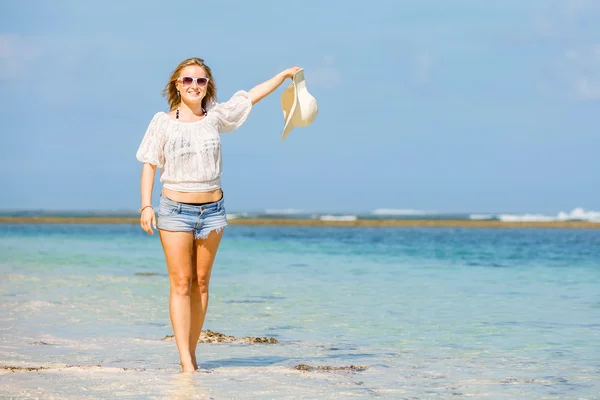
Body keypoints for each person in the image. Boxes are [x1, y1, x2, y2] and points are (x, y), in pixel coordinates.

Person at [136, 57, 301, 373]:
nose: (194, 86)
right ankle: (186, 362)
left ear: (207, 86)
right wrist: (146, 205)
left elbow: (249, 97)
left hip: (213, 211)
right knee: (181, 283)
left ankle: (191, 352)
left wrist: (281, 76)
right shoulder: (162, 122)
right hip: (175, 210)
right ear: (177, 85)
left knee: (200, 283)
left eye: (200, 81)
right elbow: (149, 163)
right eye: (188, 80)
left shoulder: (216, 117)